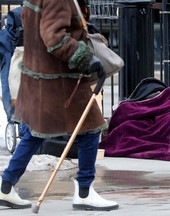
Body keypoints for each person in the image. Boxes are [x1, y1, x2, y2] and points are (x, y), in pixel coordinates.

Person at [0, 0, 118, 211]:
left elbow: (34, 23)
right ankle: (84, 191)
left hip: (41, 75)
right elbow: (53, 37)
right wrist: (84, 57)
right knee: (91, 128)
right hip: (59, 80)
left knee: (36, 133)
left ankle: (6, 186)